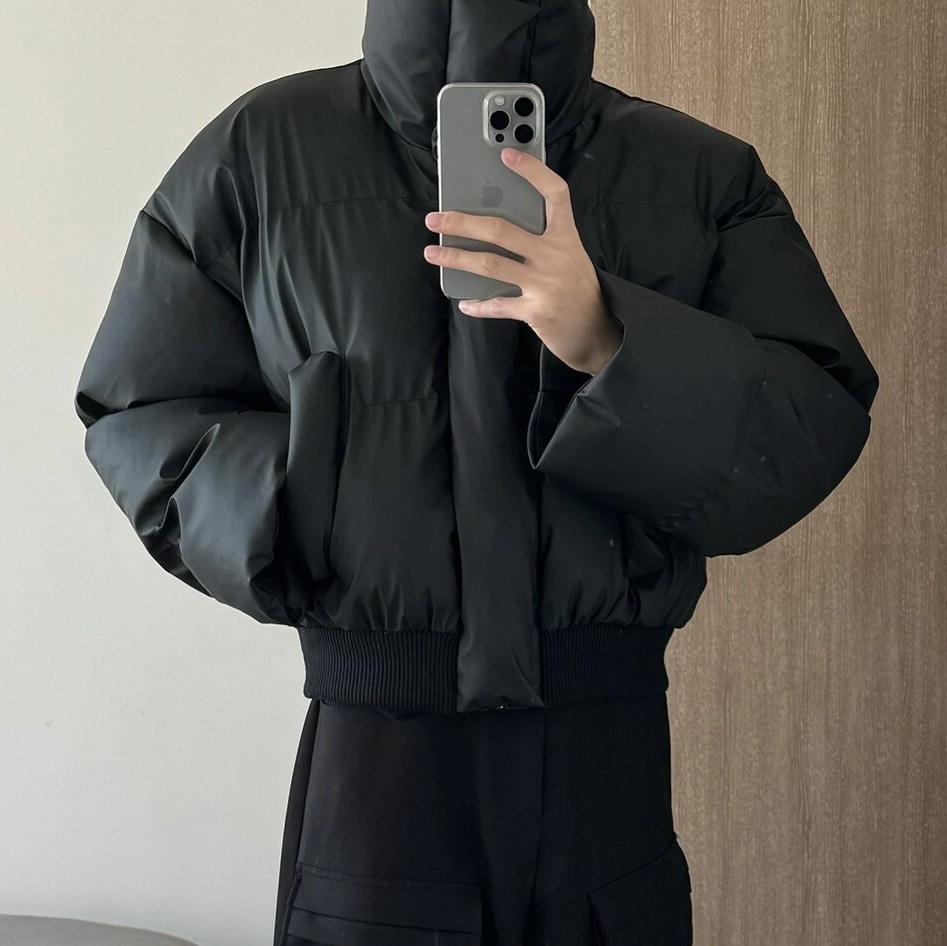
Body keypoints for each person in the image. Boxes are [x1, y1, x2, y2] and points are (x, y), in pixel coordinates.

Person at [73, 2, 879, 944]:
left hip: (603, 765)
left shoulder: (699, 172)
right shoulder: (259, 152)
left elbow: (808, 425)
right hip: (378, 771)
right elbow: (142, 412)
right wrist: (317, 509)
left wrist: (608, 336)